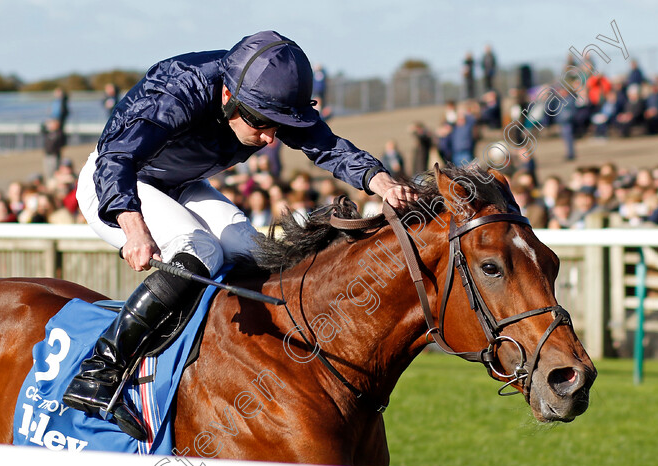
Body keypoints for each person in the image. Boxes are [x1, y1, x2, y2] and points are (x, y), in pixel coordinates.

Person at [64, 30, 416, 440]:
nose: (270, 140)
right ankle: (100, 371)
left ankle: (227, 364)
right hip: (114, 182)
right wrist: (132, 224)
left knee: (255, 253)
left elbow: (327, 146)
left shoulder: (264, 95)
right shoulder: (177, 88)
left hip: (178, 183)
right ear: (228, 94)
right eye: (263, 125)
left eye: (278, 127)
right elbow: (117, 157)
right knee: (199, 250)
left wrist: (382, 182)